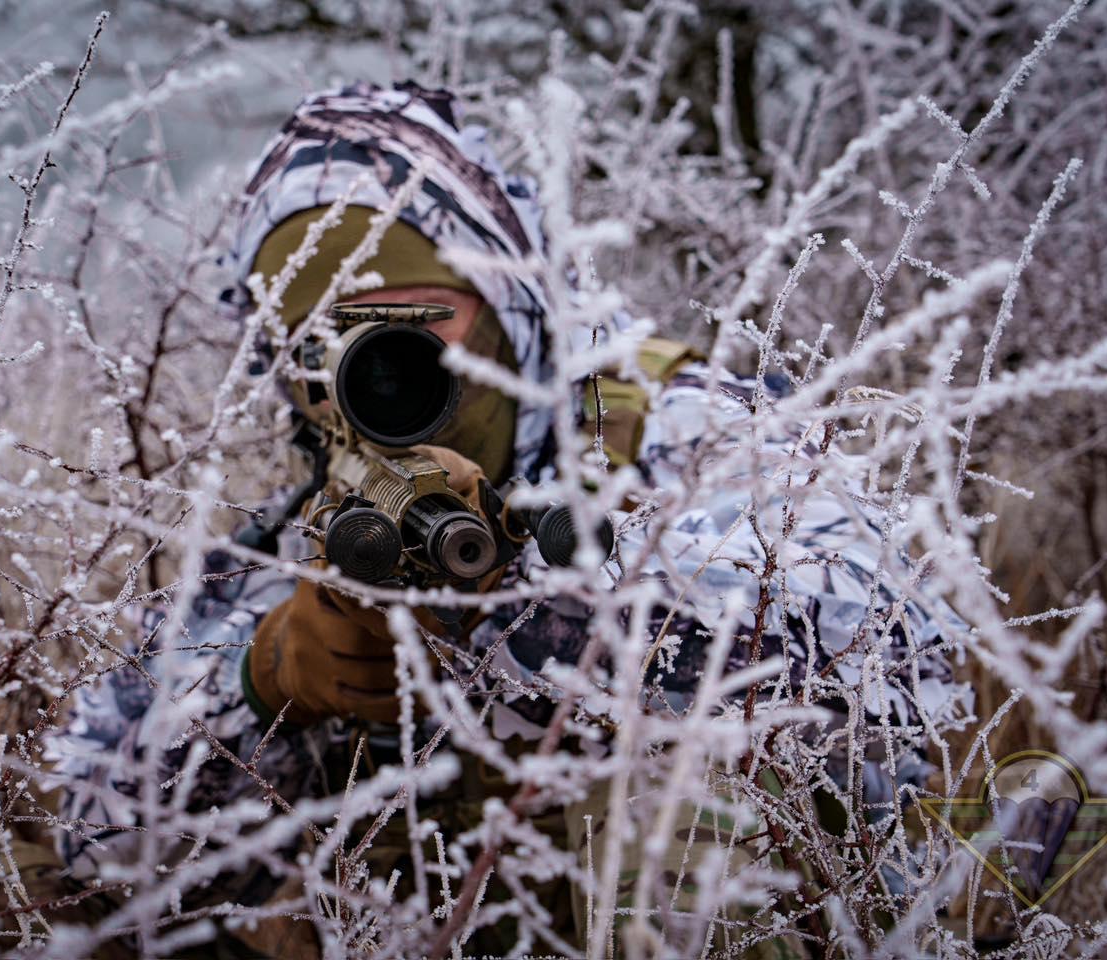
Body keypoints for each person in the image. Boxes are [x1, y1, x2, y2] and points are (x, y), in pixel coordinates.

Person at [50, 81, 970, 958]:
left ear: (501, 298)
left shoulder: (675, 426)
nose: (363, 377)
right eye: (313, 350)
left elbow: (886, 660)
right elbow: (91, 840)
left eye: (404, 324)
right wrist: (265, 680)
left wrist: (539, 606)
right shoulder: (300, 531)